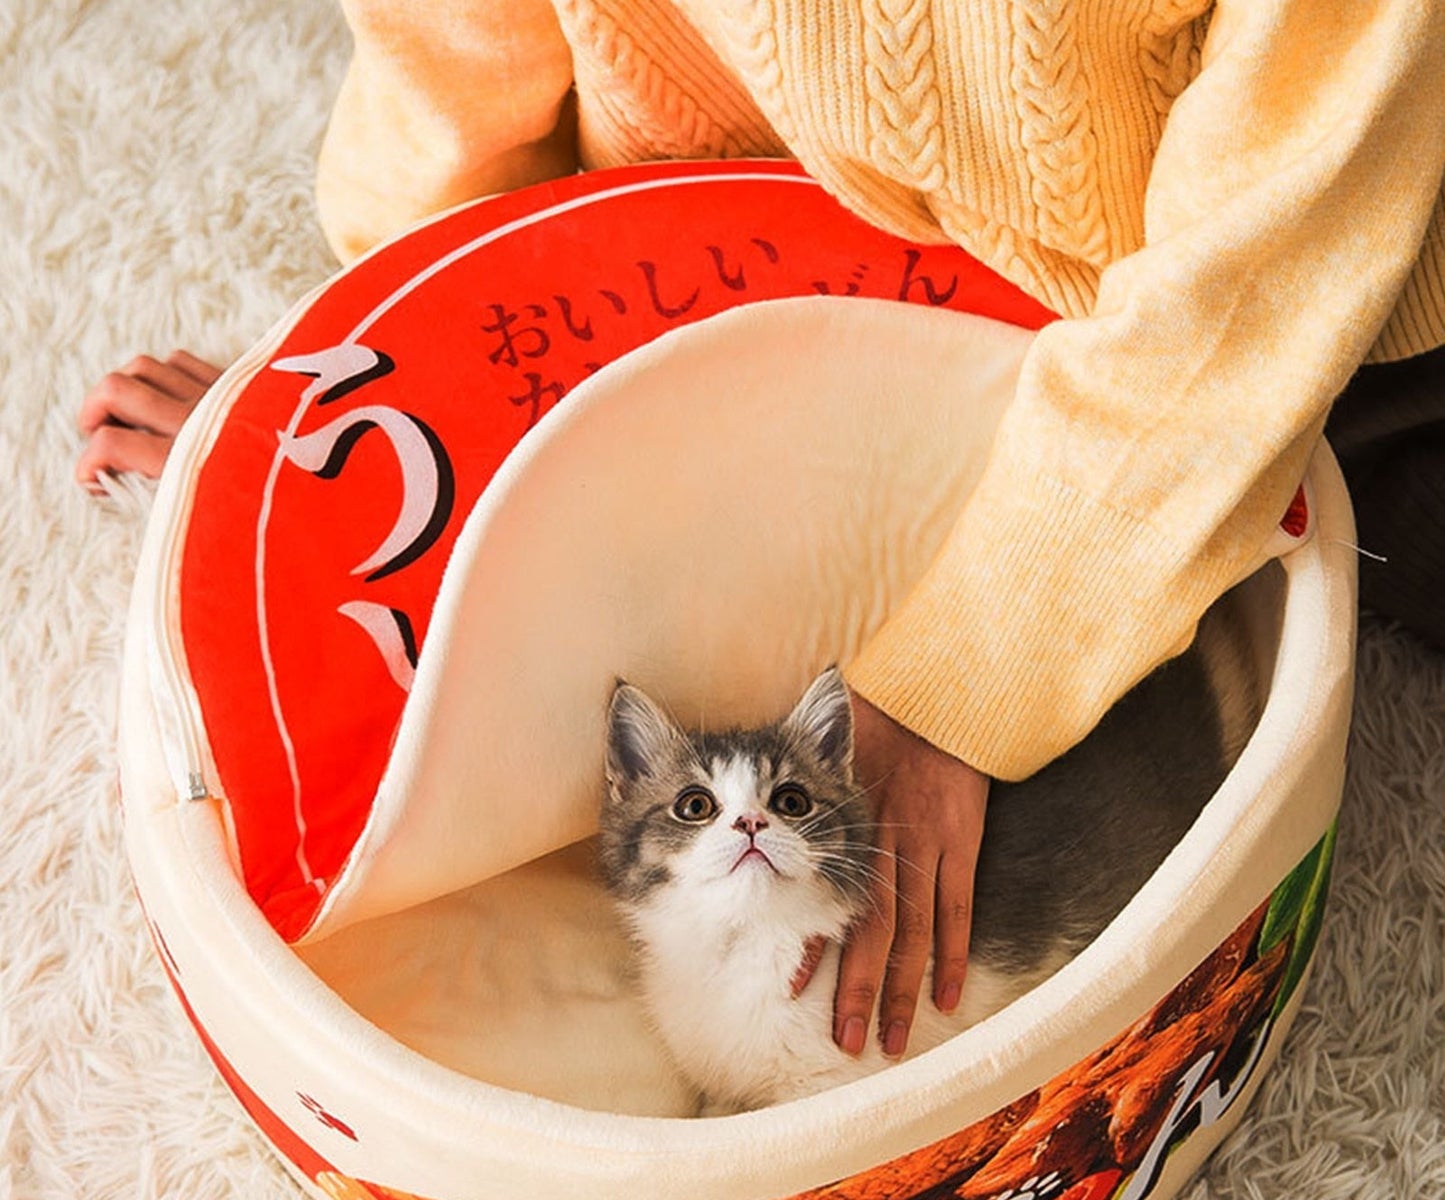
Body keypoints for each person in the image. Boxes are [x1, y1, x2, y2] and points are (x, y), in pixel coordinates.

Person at [79, 1, 1445, 1064]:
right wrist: (385, 395)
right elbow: (457, 82)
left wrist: (977, 667)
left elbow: (1279, 243)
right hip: (731, 249)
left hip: (1271, 294)